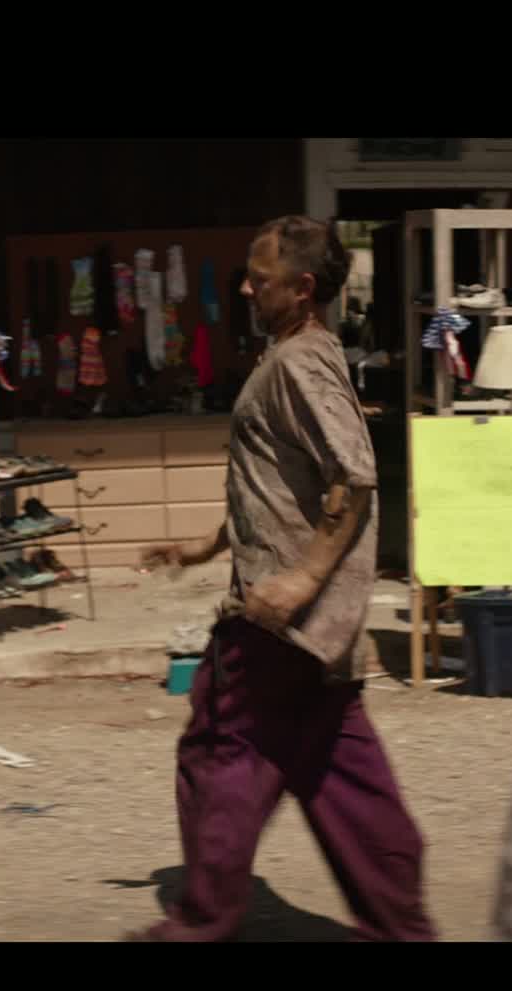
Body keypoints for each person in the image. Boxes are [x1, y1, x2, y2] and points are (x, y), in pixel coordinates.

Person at [131, 215, 435, 942]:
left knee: (223, 750)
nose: (245, 288)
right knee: (343, 774)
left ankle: (200, 924)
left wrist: (301, 579)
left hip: (280, 618)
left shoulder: (299, 363)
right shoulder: (298, 355)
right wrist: (207, 545)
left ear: (301, 288)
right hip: (317, 626)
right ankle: (402, 928)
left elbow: (353, 475)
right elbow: (280, 484)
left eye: (258, 278)